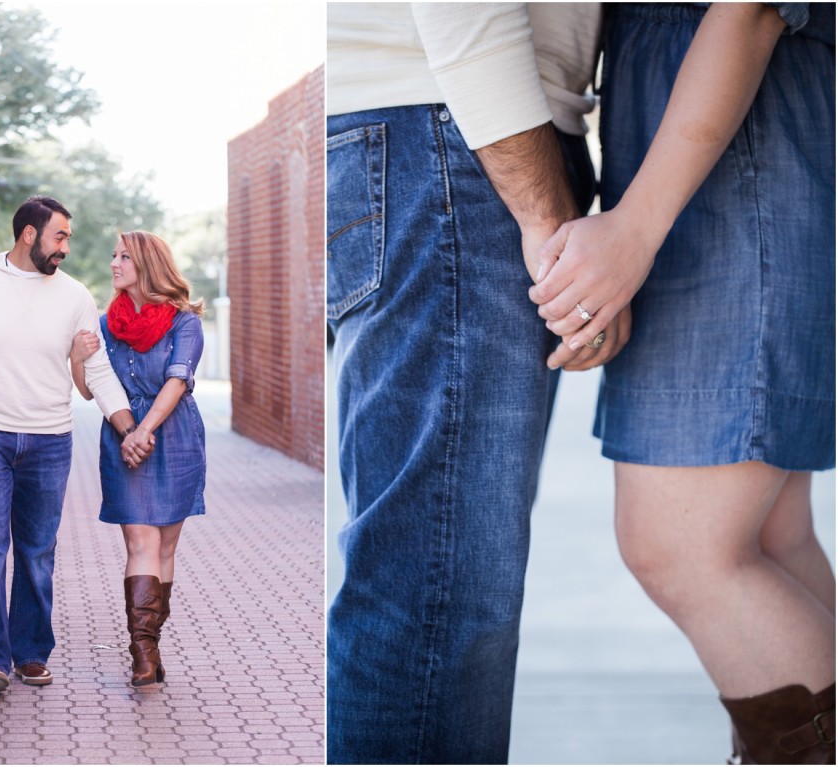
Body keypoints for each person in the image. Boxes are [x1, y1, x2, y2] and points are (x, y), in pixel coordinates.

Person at [529, 3, 835, 762]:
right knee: (766, 536)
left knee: (683, 547)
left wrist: (634, 229)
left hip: (734, 162)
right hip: (725, 148)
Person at [326, 3, 626, 763]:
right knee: (437, 601)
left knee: (436, 585)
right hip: (458, 136)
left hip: (451, 131)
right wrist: (547, 215)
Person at [0, 196, 147, 695]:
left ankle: (30, 653)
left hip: (49, 439)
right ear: (29, 234)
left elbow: (101, 371)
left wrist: (128, 425)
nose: (66, 247)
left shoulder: (75, 297)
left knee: (37, 552)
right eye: (59, 236)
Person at [69, 230, 206, 688]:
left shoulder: (185, 321)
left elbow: (178, 380)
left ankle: (152, 646)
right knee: (139, 544)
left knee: (165, 546)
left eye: (124, 256)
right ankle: (142, 653)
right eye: (113, 255)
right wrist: (76, 358)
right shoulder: (108, 323)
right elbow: (89, 389)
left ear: (147, 264)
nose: (114, 264)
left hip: (174, 436)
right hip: (123, 438)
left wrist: (144, 432)